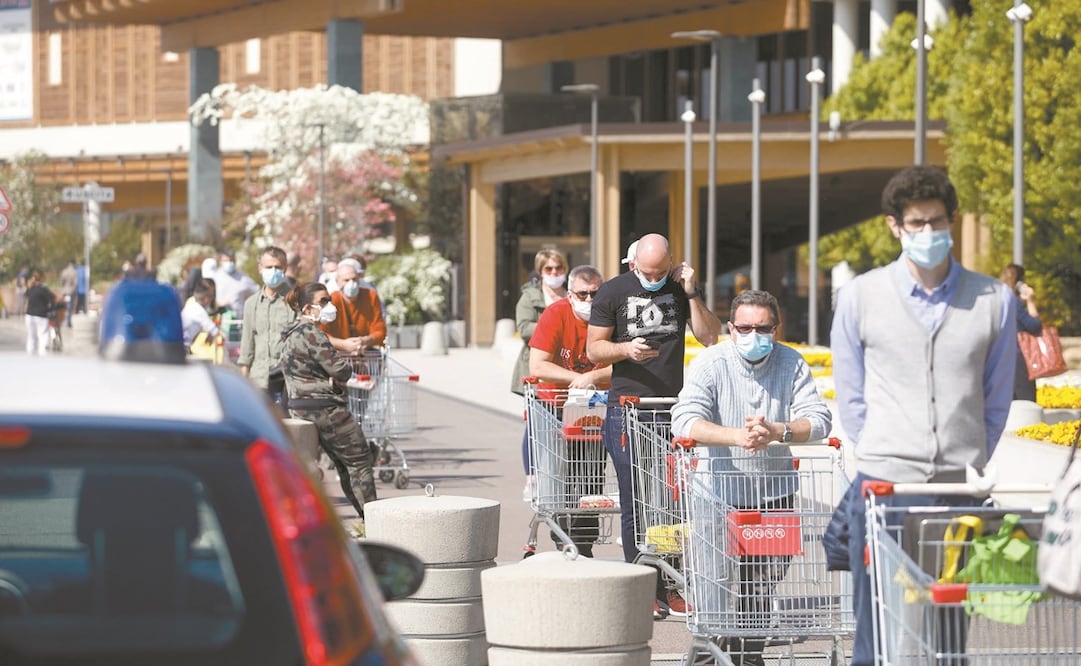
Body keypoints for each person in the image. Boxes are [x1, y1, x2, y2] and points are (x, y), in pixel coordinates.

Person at [830, 165, 1017, 666]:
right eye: (917, 223)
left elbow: (996, 398)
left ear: (951, 220)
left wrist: (968, 455)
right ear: (895, 226)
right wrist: (885, 450)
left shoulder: (994, 300)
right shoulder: (860, 297)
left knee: (948, 631)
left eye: (937, 221)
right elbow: (851, 396)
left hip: (957, 490)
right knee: (877, 630)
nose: (928, 232)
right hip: (885, 487)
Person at [672, 289, 832, 665]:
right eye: (745, 328)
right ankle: (708, 653)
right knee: (713, 582)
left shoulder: (791, 362)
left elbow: (819, 419)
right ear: (731, 328)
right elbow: (684, 418)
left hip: (773, 493)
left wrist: (778, 431)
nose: (754, 335)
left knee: (760, 586)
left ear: (776, 329)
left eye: (763, 328)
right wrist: (736, 437)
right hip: (717, 492)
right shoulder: (712, 362)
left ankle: (749, 654)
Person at [586, 232, 722, 619]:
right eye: (646, 273)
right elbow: (594, 348)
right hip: (627, 409)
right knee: (636, 500)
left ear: (672, 264)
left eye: (660, 273)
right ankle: (642, 583)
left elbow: (710, 336)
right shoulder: (613, 292)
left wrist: (692, 292)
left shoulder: (680, 290)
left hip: (669, 408)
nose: (652, 279)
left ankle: (670, 582)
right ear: (633, 265)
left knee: (671, 502)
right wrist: (625, 349)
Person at [528, 264, 612, 557]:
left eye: (595, 294)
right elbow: (538, 365)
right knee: (559, 475)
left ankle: (584, 543)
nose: (589, 300)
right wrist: (577, 378)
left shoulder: (610, 318)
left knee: (591, 474)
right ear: (570, 294)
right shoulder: (556, 314)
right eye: (583, 294)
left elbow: (624, 363)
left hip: (594, 406)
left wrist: (593, 377)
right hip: (556, 404)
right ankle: (563, 537)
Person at [280, 281, 377, 520]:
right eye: (323, 302)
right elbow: (340, 370)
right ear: (307, 308)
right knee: (360, 461)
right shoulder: (312, 333)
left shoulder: (291, 332)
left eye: (329, 300)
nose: (329, 306)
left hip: (300, 406)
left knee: (344, 465)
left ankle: (365, 517)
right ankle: (374, 520)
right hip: (325, 408)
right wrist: (344, 368)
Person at [513, 248, 568, 498]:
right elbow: (524, 328)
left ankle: (560, 475)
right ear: (540, 271)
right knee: (536, 426)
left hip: (566, 367)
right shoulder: (530, 297)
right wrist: (554, 326)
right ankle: (532, 478)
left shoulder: (574, 294)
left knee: (566, 425)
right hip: (537, 370)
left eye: (559, 268)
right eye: (549, 269)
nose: (554, 273)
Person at [237, 246, 295, 393]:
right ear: (260, 268)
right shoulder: (251, 303)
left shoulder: (294, 301)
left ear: (285, 268)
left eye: (278, 267)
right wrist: (244, 381)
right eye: (269, 267)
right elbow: (247, 345)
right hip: (258, 380)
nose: (273, 271)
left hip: (287, 381)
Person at [321, 257, 386, 354]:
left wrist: (365, 341)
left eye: (354, 279)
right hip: (338, 355)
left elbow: (380, 330)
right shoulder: (331, 300)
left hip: (365, 352)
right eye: (346, 280)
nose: (351, 283)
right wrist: (344, 344)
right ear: (337, 282)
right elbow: (322, 335)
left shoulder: (370, 296)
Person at [1000, 263, 1043, 401]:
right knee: (1025, 404)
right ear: (1018, 283)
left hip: (998, 359)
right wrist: (1030, 301)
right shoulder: (1014, 303)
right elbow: (1035, 327)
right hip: (1017, 361)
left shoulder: (996, 301)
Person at [214, 249, 258, 315]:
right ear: (220, 261)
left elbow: (257, 293)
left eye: (231, 260)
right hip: (219, 318)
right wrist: (217, 303)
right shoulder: (215, 277)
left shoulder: (243, 278)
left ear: (235, 261)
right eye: (226, 261)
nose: (229, 263)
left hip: (239, 318)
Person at [24, 269, 57, 356]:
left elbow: (26, 296)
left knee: (31, 337)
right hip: (41, 315)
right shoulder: (43, 289)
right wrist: (51, 310)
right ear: (41, 278)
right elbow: (53, 298)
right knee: (42, 336)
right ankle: (42, 356)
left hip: (29, 315)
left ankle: (30, 355)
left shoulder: (30, 288)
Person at [181, 279, 221, 349]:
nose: (212, 299)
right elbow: (216, 332)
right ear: (206, 298)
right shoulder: (199, 311)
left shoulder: (192, 304)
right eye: (211, 296)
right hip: (181, 346)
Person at [59, 259, 77, 328]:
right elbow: (75, 283)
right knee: (69, 307)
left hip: (64, 291)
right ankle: (68, 321)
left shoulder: (64, 271)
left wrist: (63, 288)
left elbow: (61, 281)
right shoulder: (74, 272)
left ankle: (63, 320)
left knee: (64, 306)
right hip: (71, 291)